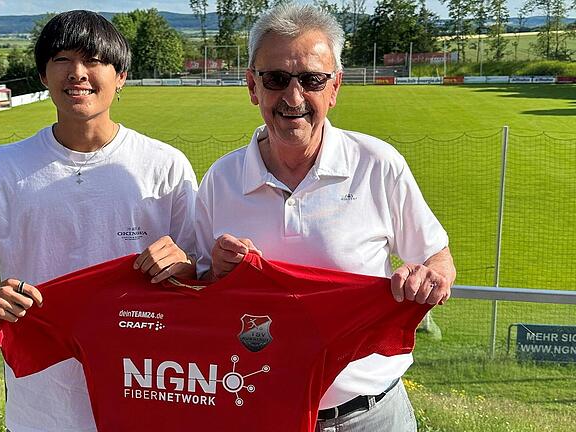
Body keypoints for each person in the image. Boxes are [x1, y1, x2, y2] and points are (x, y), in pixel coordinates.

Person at [194, 4, 456, 431]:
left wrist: (428, 279)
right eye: (276, 79)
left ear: (334, 87)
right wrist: (218, 273)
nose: (293, 98)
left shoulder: (377, 164)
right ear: (252, 86)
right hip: (258, 408)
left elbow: (439, 259)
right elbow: (198, 290)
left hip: (371, 414)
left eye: (312, 80)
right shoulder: (221, 180)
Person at [0, 10, 197, 432]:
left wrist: (185, 266)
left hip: (144, 393)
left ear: (121, 75)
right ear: (42, 75)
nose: (77, 73)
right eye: (61, 60)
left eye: (93, 60)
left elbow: (201, 277)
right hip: (40, 406)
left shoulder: (164, 167)